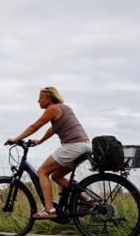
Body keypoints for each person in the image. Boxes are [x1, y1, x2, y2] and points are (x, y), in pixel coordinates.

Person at [6, 86, 91, 219]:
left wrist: (16, 139)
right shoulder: (64, 108)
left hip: (73, 146)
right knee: (56, 176)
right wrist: (40, 141)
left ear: (49, 98)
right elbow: (53, 129)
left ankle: (49, 210)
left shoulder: (52, 108)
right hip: (84, 146)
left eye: (40, 98)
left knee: (42, 172)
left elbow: (35, 126)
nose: (38, 101)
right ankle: (88, 201)